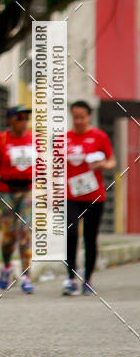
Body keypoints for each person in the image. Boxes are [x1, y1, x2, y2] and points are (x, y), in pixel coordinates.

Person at [63, 100, 115, 296]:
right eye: (75, 117)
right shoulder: (65, 138)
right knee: (70, 234)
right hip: (70, 196)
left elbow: (112, 161)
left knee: (90, 238)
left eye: (82, 117)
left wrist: (102, 165)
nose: (78, 121)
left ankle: (88, 279)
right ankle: (70, 278)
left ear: (89, 116)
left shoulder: (99, 136)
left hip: (94, 196)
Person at [0, 105, 35, 294]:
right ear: (10, 120)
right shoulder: (2, 140)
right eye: (19, 118)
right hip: (6, 191)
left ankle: (26, 276)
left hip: (27, 190)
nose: (24, 122)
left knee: (25, 232)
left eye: (26, 118)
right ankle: (7, 267)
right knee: (9, 236)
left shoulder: (33, 139)